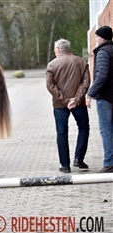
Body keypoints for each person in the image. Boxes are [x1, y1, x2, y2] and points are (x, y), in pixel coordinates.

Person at [46, 39, 91, 173]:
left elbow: (50, 86)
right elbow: (86, 82)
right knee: (83, 128)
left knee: (61, 132)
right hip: (79, 103)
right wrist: (76, 100)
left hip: (59, 104)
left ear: (58, 49)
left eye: (55, 49)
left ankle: (65, 166)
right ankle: (79, 159)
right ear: (68, 48)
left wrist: (65, 101)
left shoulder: (52, 65)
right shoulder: (81, 62)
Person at [86, 25, 113, 173]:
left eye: (97, 36)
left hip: (106, 98)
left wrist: (90, 94)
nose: (95, 39)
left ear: (102, 37)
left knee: (106, 131)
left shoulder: (103, 52)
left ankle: (109, 163)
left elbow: (101, 75)